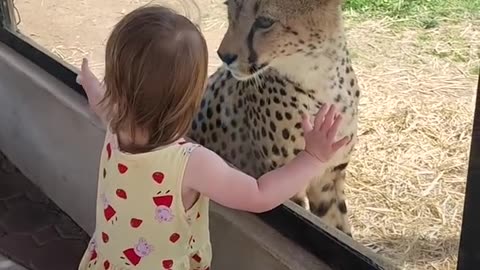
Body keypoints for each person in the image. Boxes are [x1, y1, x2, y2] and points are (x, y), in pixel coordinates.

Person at [76, 5, 349, 270]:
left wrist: (91, 85)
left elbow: (103, 107)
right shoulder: (191, 163)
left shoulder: (117, 127)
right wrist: (312, 159)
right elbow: (259, 195)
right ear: (193, 96)